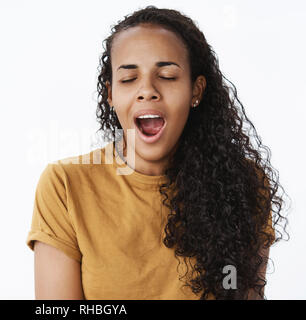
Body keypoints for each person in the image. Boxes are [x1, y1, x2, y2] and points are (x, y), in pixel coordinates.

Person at [26, 6, 289, 300]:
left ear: (196, 91)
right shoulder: (64, 186)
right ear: (110, 95)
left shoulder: (243, 184)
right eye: (128, 79)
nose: (147, 90)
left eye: (166, 75)